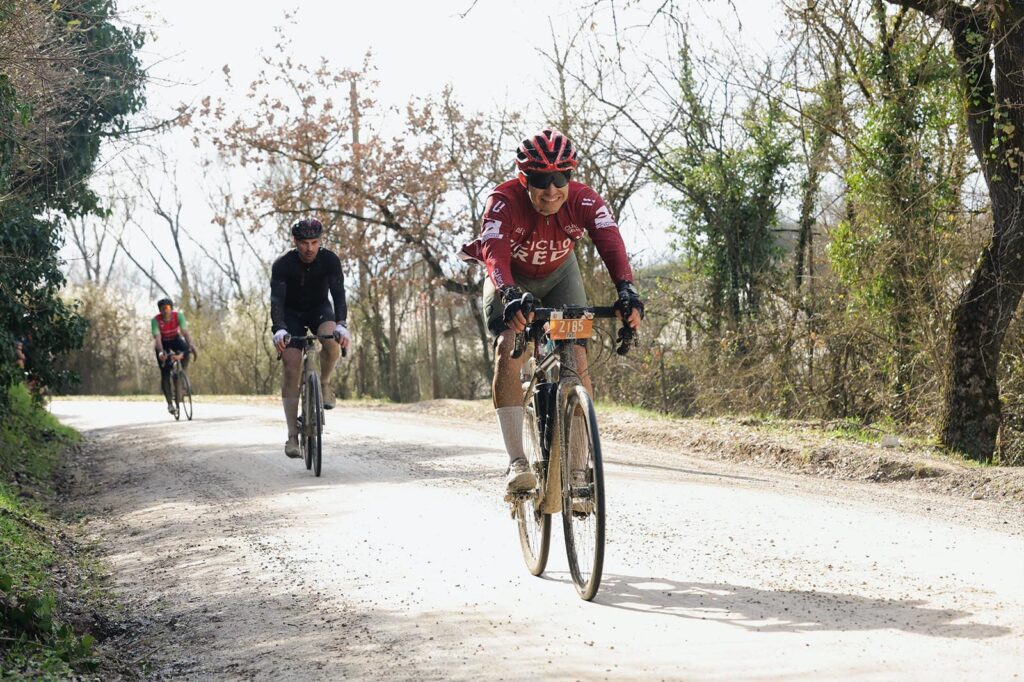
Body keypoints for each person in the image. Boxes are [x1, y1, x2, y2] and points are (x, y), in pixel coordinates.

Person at [460, 128, 644, 493]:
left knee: (576, 355)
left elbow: (611, 243)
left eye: (561, 178)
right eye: (541, 180)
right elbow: (494, 253)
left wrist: (626, 290)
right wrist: (509, 293)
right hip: (511, 279)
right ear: (523, 179)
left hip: (560, 275)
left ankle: (577, 473)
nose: (551, 190)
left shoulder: (585, 200)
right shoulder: (503, 201)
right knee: (508, 349)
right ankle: (517, 463)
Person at [270, 218, 351, 458]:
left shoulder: (330, 260)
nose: (309, 248)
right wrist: (279, 328)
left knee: (332, 341)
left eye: (314, 242)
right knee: (291, 367)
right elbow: (277, 300)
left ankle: (324, 382)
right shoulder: (283, 264)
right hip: (290, 315)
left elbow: (338, 293)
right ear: (295, 241)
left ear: (320, 241)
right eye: (304, 243)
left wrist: (342, 324)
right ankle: (292, 435)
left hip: (319, 310)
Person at [152, 298, 197, 413]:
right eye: (162, 309)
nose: (165, 311)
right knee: (165, 372)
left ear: (171, 309)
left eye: (167, 308)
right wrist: (161, 352)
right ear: (160, 311)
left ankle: (180, 375)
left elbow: (185, 332)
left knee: (186, 350)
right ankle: (170, 404)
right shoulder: (155, 320)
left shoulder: (178, 316)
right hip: (163, 343)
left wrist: (191, 345)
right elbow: (157, 338)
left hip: (175, 339)